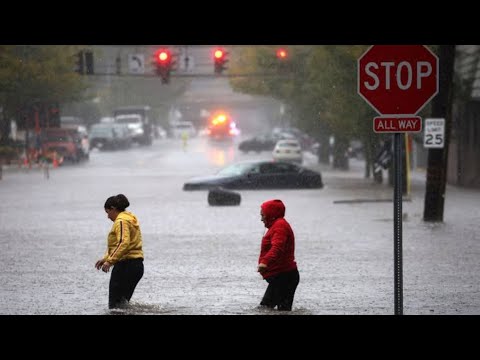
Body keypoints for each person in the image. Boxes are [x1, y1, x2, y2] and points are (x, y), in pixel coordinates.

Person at [95, 194, 144, 309]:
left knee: (114, 307)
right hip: (136, 266)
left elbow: (123, 243)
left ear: (113, 208)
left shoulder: (121, 221)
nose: (108, 216)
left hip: (125, 266)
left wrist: (110, 261)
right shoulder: (130, 218)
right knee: (122, 305)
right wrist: (105, 258)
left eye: (107, 212)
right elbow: (119, 245)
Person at [257, 199, 300, 311]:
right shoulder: (277, 225)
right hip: (285, 275)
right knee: (282, 310)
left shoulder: (280, 226)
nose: (261, 219)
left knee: (264, 309)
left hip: (284, 276)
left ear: (271, 214)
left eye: (263, 215)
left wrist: (264, 262)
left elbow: (278, 248)